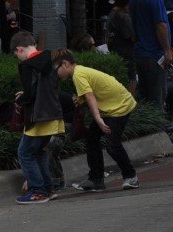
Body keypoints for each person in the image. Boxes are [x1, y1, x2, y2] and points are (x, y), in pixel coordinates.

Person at [53, 49, 140, 192]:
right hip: (112, 107)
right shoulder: (80, 71)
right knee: (92, 139)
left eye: (56, 69)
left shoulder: (78, 74)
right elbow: (89, 94)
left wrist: (98, 118)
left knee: (112, 144)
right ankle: (96, 180)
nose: (56, 74)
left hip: (119, 108)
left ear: (65, 64)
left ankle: (131, 177)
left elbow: (89, 95)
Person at [10, 31, 64, 204]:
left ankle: (38, 192)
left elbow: (30, 94)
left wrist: (20, 99)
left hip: (37, 116)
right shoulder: (50, 60)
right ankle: (48, 188)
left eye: (16, 55)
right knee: (39, 152)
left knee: (25, 153)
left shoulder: (27, 66)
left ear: (19, 49)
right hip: (53, 114)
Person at [131, 0, 172, 107]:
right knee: (157, 97)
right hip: (154, 54)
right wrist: (167, 51)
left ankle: (147, 129)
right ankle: (157, 130)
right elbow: (160, 25)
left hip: (141, 53)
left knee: (145, 97)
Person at [106, 0, 136, 93]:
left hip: (115, 51)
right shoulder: (123, 17)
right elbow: (133, 37)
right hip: (126, 53)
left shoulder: (112, 13)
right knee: (131, 79)